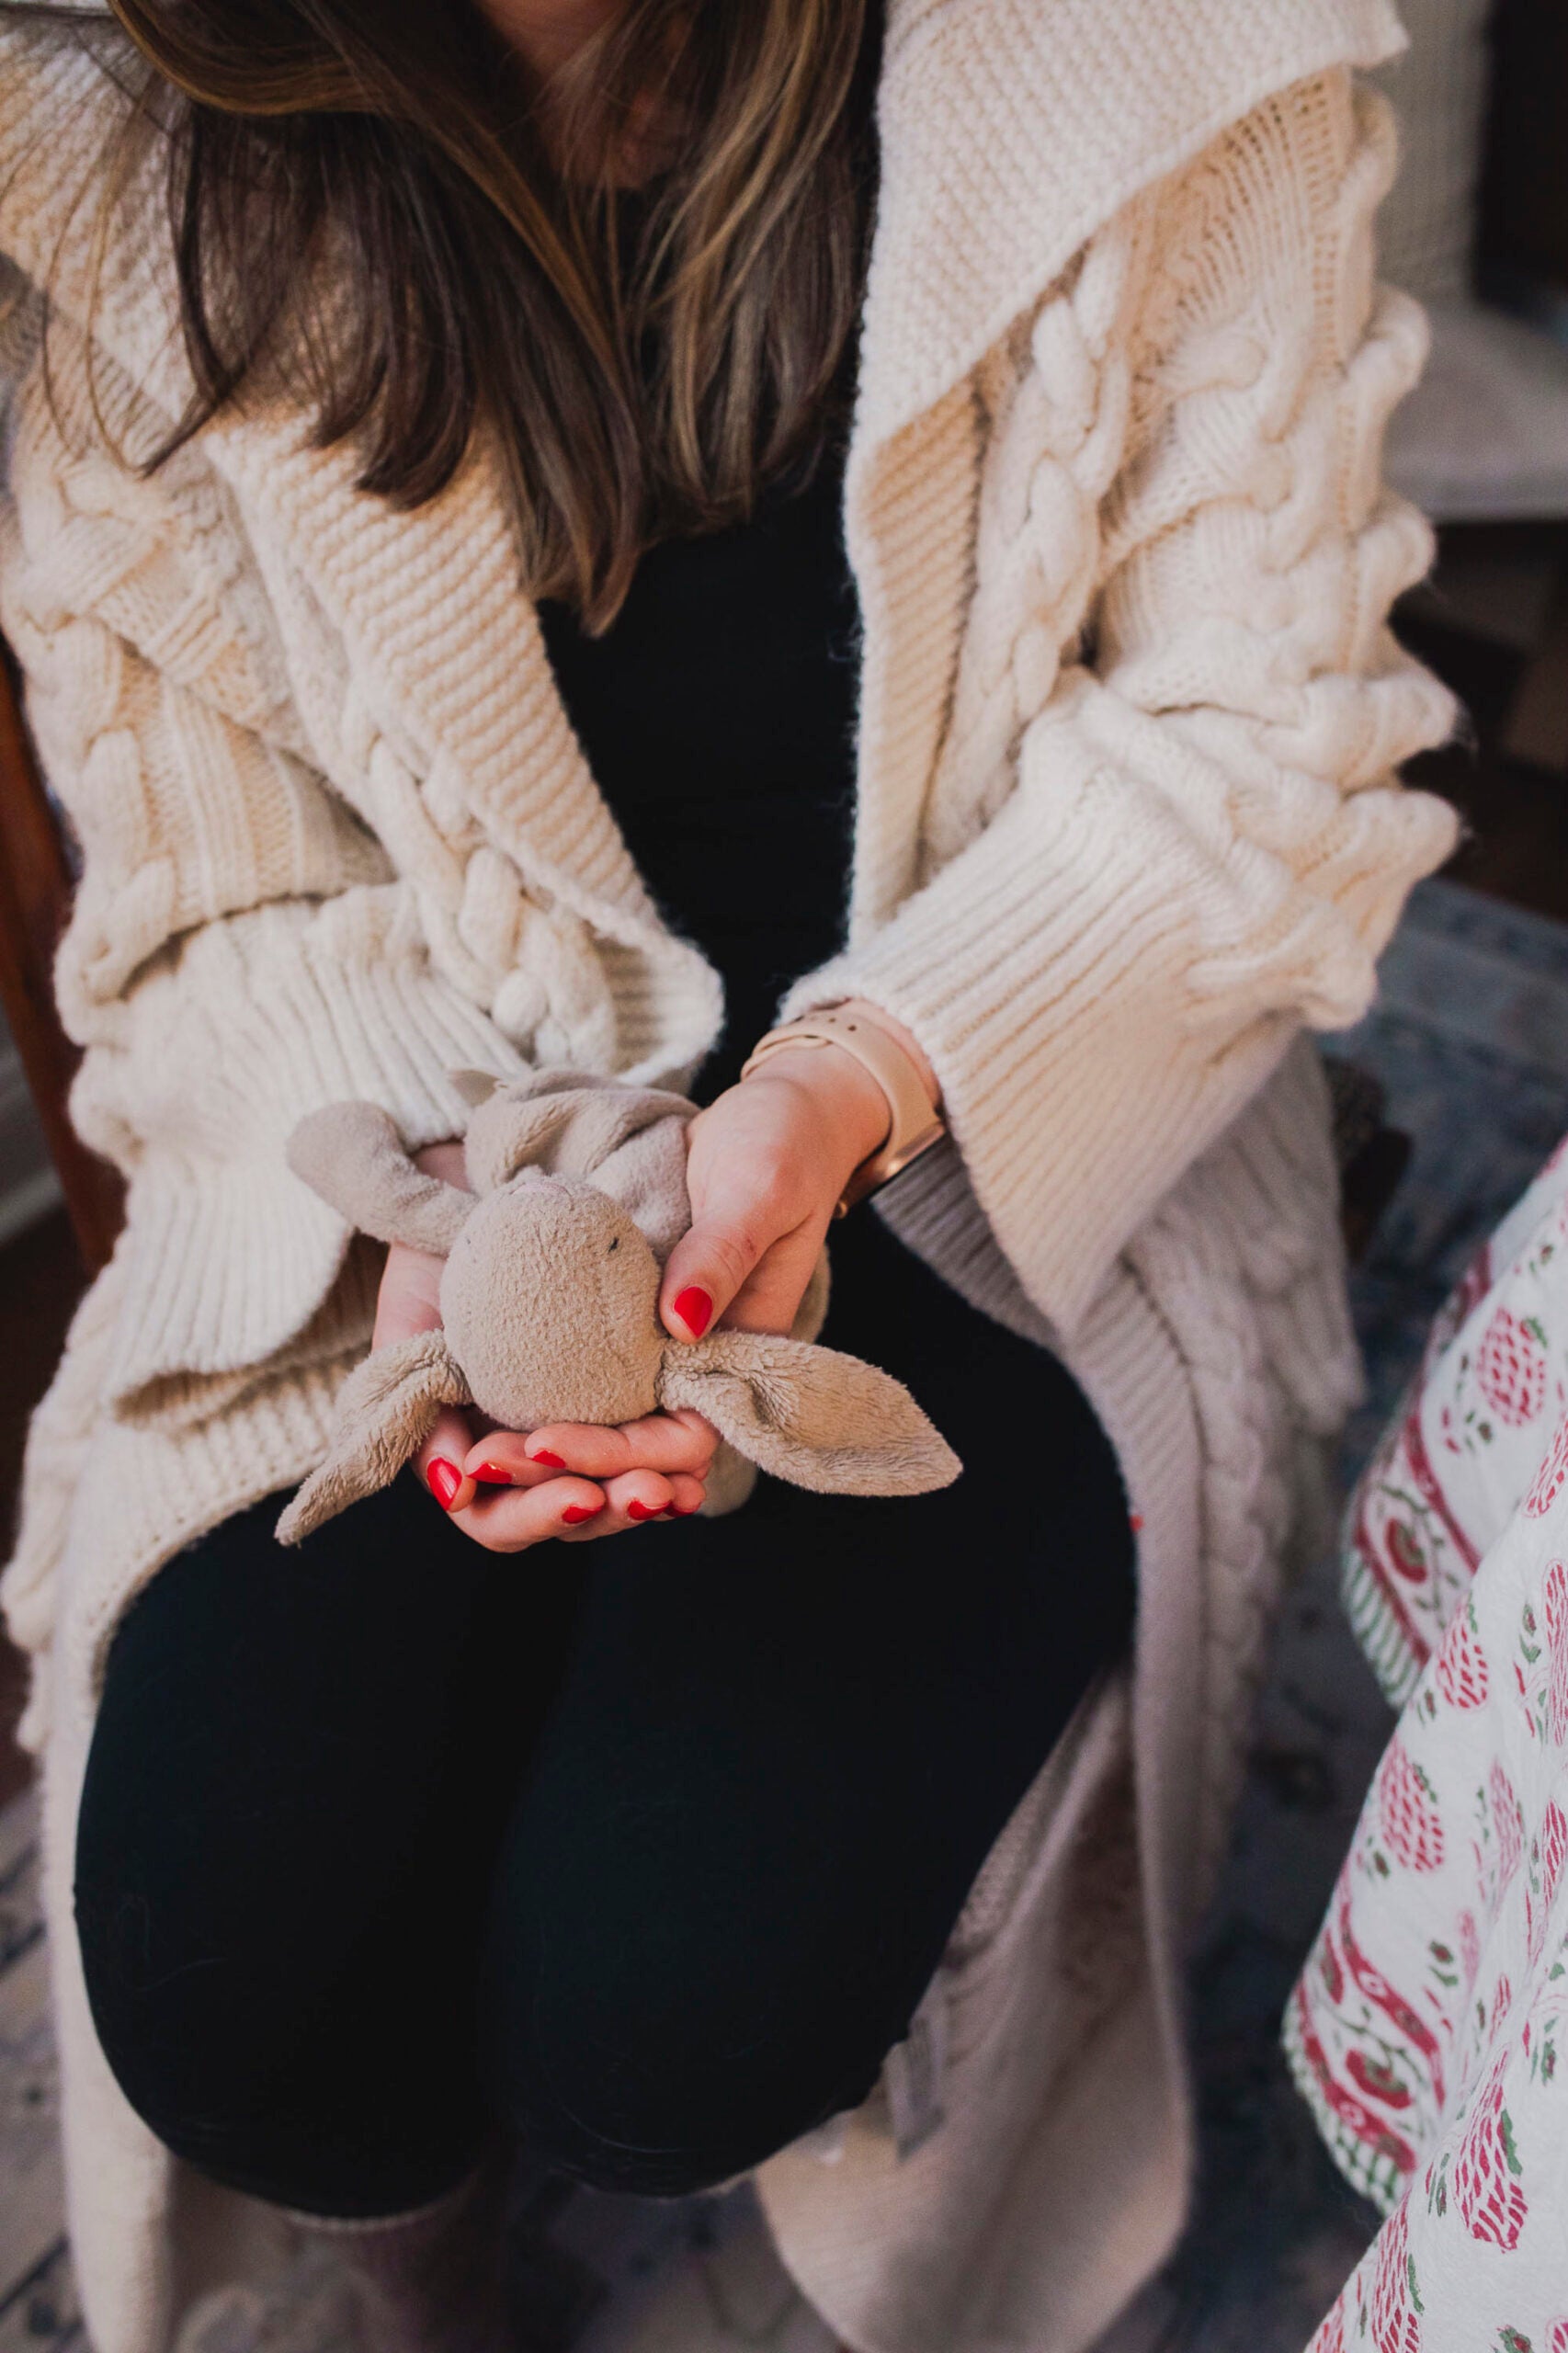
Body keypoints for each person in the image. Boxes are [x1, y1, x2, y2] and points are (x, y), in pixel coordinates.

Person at [0, 1, 1460, 2347]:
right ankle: (422, 2273)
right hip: (442, 1140)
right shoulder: (98, 143)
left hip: (999, 1093)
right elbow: (216, 895)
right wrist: (470, 1201)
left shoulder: (1168, 42)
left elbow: (1260, 734)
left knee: (669, 2001)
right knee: (220, 1975)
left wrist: (847, 1086)